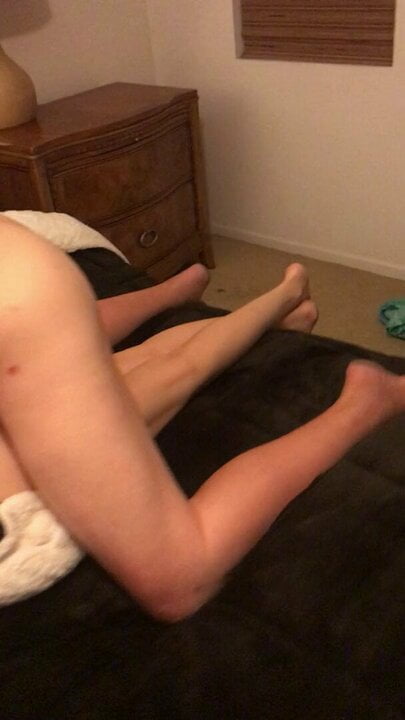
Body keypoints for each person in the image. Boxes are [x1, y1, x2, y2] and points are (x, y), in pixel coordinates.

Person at [0, 215, 404, 621]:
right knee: (168, 368)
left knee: (64, 334)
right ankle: (360, 395)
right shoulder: (21, 273)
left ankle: (179, 296)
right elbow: (178, 579)